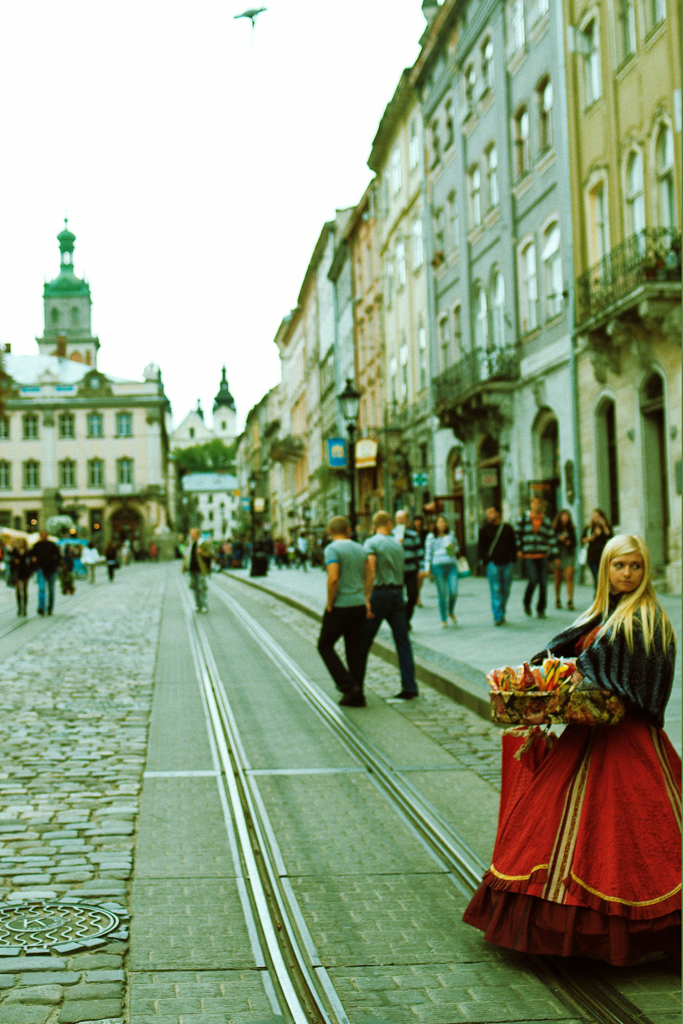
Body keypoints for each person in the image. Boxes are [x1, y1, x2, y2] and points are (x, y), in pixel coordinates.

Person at [463, 534, 680, 966]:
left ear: (645, 570)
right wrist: (544, 681)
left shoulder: (647, 620)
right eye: (619, 566)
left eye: (635, 566)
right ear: (605, 569)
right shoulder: (599, 614)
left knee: (628, 840)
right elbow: (563, 659)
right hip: (584, 737)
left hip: (628, 742)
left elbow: (625, 676)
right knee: (553, 829)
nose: (627, 573)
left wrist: (576, 675)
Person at [317, 515, 372, 708]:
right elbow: (370, 573)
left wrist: (330, 603)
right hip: (358, 605)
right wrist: (365, 597)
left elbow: (333, 578)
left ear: (330, 532)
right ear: (348, 530)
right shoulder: (360, 548)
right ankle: (358, 694)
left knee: (324, 644)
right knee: (354, 650)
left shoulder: (332, 549)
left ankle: (348, 686)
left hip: (341, 605)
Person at [362, 510, 418, 700]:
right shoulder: (397, 544)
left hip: (379, 593)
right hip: (397, 593)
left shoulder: (371, 543)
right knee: (403, 642)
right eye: (391, 523)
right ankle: (410, 686)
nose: (394, 525)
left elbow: (371, 570)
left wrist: (366, 598)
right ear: (386, 523)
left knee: (364, 640)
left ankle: (356, 684)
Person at [515, 497, 560, 619]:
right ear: (531, 504)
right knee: (533, 579)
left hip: (542, 554)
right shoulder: (524, 519)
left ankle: (541, 609)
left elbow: (551, 538)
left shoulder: (545, 520)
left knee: (543, 582)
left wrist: (555, 556)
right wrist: (519, 549)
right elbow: (517, 535)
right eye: (535, 503)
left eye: (539, 503)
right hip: (529, 554)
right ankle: (527, 601)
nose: (537, 505)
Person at [478, 505, 517, 626]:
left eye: (491, 512)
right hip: (493, 564)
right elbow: (481, 547)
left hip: (507, 564)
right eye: (487, 513)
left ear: (498, 513)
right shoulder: (484, 530)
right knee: (496, 589)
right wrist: (486, 561)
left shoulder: (507, 528)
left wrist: (512, 559)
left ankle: (502, 610)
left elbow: (513, 544)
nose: (488, 515)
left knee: (505, 590)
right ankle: (497, 616)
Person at [424, 515, 460, 627]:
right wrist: (427, 569)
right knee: (442, 593)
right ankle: (443, 618)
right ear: (435, 524)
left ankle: (450, 610)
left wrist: (453, 549)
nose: (442, 524)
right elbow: (428, 553)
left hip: (451, 565)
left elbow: (457, 548)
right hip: (438, 566)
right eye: (440, 522)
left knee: (453, 591)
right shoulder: (431, 537)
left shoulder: (451, 534)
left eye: (444, 522)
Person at [393, 510, 422, 628]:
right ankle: (401, 622)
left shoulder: (413, 535)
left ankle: (406, 618)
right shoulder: (391, 535)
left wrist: (422, 568)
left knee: (412, 595)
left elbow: (420, 553)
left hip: (411, 570)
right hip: (397, 571)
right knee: (398, 597)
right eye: (398, 519)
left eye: (403, 519)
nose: (400, 521)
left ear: (407, 521)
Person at [31, 530, 61, 616]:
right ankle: (41, 607)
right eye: (42, 536)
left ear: (47, 536)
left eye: (45, 535)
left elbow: (58, 556)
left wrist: (56, 565)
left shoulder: (52, 545)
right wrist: (35, 564)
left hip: (51, 570)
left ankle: (50, 607)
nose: (44, 537)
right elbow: (32, 556)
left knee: (51, 590)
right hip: (41, 569)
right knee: (42, 589)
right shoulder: (36, 546)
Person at [182, 527, 212, 612]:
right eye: (190, 533)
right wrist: (184, 568)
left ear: (197, 535)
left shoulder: (202, 544)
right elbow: (186, 556)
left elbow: (209, 554)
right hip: (192, 569)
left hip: (200, 569)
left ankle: (204, 605)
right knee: (194, 587)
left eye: (193, 534)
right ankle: (198, 605)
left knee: (201, 587)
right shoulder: (190, 544)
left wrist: (201, 552)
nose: (191, 535)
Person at [582, 508, 613, 589]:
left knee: (603, 576)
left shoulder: (605, 527)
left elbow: (610, 536)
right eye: (594, 516)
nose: (596, 518)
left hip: (603, 554)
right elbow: (582, 540)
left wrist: (604, 525)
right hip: (592, 555)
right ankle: (597, 595)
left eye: (597, 516)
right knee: (597, 576)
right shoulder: (589, 528)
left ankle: (602, 594)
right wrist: (589, 538)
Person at [553, 509, 577, 610]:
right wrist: (559, 539)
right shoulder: (555, 529)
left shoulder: (571, 529)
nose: (565, 519)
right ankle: (558, 598)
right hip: (558, 554)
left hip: (568, 554)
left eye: (567, 517)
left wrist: (569, 542)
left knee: (569, 576)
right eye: (563, 516)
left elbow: (575, 542)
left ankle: (570, 600)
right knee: (558, 578)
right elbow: (551, 542)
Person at [11, 538, 33, 616]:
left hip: (25, 572)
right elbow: (9, 558)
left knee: (24, 590)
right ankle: (20, 608)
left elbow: (30, 562)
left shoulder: (28, 552)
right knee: (18, 591)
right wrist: (14, 561)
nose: (21, 544)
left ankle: (25, 608)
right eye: (20, 543)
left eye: (22, 543)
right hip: (17, 572)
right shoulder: (15, 551)